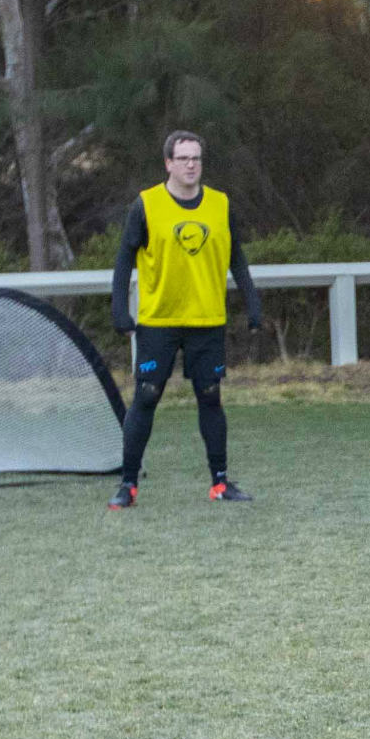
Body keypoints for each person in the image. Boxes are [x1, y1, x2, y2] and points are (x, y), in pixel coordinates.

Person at [109, 129, 258, 508]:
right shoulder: (146, 205)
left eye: (197, 158)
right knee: (146, 395)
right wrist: (119, 308)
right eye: (184, 158)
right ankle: (128, 484)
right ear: (169, 163)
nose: (191, 165)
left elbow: (236, 257)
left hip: (207, 320)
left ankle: (221, 483)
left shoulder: (221, 205)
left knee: (210, 397)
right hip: (159, 320)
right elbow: (125, 258)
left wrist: (252, 302)